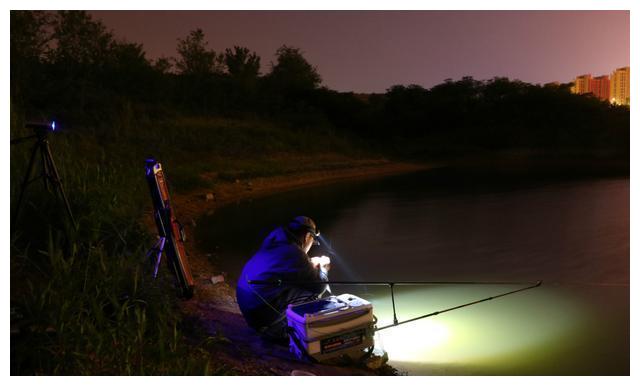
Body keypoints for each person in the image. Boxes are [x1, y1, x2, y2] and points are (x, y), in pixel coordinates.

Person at [236, 216, 331, 343]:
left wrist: (308, 264)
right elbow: (320, 285)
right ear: (307, 236)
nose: (310, 246)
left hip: (249, 306)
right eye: (312, 241)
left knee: (302, 285)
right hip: (260, 313)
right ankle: (278, 330)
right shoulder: (294, 252)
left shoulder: (275, 240)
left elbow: (285, 268)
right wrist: (323, 268)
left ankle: (273, 324)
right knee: (312, 292)